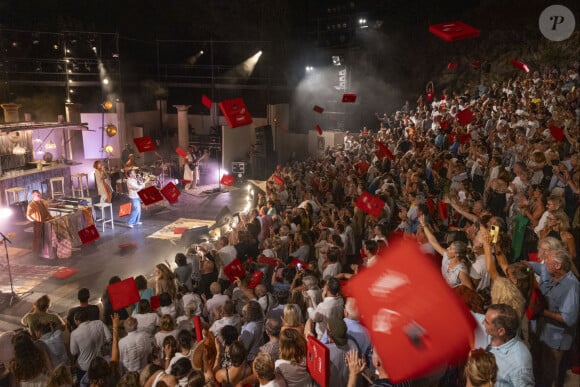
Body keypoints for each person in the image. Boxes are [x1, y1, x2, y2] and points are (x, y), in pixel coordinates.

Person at [528, 247, 580, 386]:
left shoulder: (571, 287)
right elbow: (536, 267)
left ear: (558, 266)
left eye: (547, 262)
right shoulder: (554, 276)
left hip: (556, 341)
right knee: (542, 374)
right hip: (545, 336)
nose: (544, 264)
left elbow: (568, 318)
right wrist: (527, 266)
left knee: (551, 377)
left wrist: (542, 312)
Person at [482, 303, 534, 386]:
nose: (482, 323)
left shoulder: (519, 364)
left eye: (486, 322)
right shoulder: (489, 334)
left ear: (501, 331)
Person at [26, 190, 53, 257]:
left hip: (46, 221)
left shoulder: (42, 201)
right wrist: (34, 221)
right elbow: (28, 215)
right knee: (37, 238)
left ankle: (46, 252)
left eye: (39, 194)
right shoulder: (31, 205)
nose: (39, 196)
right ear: (34, 196)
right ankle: (35, 253)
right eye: (38, 195)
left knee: (47, 237)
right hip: (38, 223)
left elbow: (47, 207)